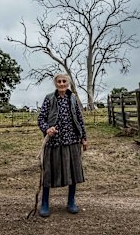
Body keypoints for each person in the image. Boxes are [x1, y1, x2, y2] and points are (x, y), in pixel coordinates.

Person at [37, 74, 89, 217]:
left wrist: (84, 138)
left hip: (72, 140)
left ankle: (71, 201)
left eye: (64, 81)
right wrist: (47, 128)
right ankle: (45, 203)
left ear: (68, 83)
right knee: (49, 173)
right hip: (54, 141)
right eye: (59, 81)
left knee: (73, 171)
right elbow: (41, 118)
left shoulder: (73, 98)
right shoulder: (49, 98)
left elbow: (80, 119)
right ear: (55, 84)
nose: (61, 83)